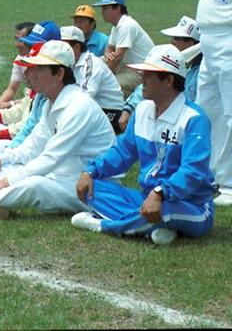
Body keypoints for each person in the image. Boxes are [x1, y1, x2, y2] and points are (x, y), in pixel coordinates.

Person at [0, 41, 114, 220]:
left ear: (59, 74)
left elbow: (50, 158)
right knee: (11, 169)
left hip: (90, 188)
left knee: (34, 184)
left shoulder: (78, 107)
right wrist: (1, 158)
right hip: (62, 175)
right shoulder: (52, 102)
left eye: (39, 69)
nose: (29, 75)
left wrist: (5, 181)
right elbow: (33, 146)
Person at [72, 45, 215, 245]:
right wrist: (91, 171)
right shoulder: (142, 110)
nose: (142, 79)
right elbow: (123, 152)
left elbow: (193, 172)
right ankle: (153, 226)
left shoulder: (194, 119)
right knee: (94, 189)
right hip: (146, 198)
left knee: (165, 210)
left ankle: (104, 225)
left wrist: (160, 193)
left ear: (169, 80)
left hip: (191, 204)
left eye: (148, 74)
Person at [193, 0, 232, 205]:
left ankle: (230, 182)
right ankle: (212, 175)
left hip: (230, 42)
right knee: (208, 112)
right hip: (210, 43)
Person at [60, 26, 124, 132]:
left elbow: (86, 95)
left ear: (76, 47)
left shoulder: (91, 64)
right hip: (93, 107)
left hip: (111, 111)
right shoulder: (70, 63)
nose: (61, 51)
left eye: (64, 47)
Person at [93, 0, 154, 97]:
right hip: (128, 67)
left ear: (118, 9)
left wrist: (101, 78)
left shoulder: (127, 25)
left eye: (105, 8)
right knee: (96, 64)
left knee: (107, 86)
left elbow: (117, 58)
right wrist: (108, 54)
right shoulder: (117, 26)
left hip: (141, 73)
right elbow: (110, 48)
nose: (102, 12)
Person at [0, 21, 35, 110]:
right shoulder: (19, 59)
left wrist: (10, 104)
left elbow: (38, 97)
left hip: (36, 101)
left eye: (21, 40)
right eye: (16, 39)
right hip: (29, 98)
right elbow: (11, 89)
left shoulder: (40, 61)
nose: (16, 44)